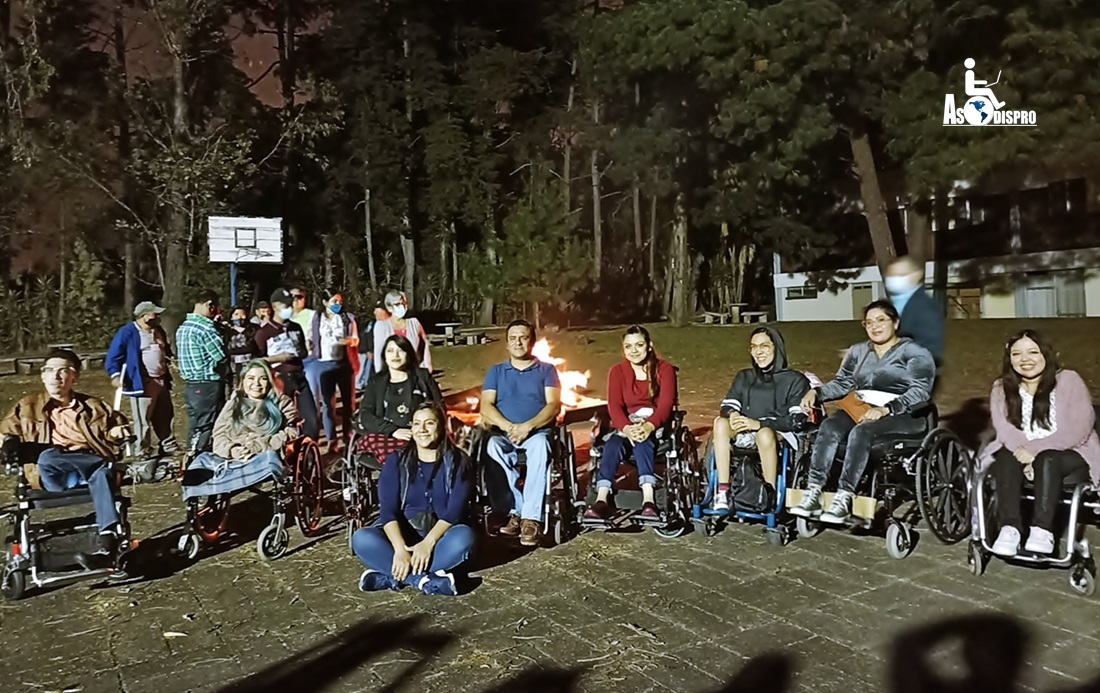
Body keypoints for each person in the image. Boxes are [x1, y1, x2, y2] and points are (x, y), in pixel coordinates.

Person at [790, 300, 935, 524]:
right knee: (829, 426)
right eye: (869, 323)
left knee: (862, 431)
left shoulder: (914, 352)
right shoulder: (859, 352)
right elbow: (843, 383)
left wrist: (886, 409)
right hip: (862, 409)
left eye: (881, 320)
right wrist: (817, 393)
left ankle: (844, 496)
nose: (875, 327)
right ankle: (814, 491)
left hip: (904, 414)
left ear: (895, 323)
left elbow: (920, 391)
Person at [0, 349, 130, 567]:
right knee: (48, 457)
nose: (55, 376)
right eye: (49, 370)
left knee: (100, 473)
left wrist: (117, 434)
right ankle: (100, 463)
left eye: (62, 371)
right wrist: (7, 442)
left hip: (87, 469)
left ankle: (107, 543)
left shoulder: (93, 407)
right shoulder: (27, 406)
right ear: (42, 375)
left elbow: (116, 427)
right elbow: (4, 433)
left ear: (74, 376)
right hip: (52, 472)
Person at [980, 330, 1100, 556]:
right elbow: (1004, 428)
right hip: (1019, 451)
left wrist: (1034, 451)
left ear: (1046, 354)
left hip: (1071, 452)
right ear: (1010, 359)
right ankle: (1010, 528)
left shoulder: (1068, 380)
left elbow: (1079, 428)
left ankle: (1042, 531)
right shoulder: (1001, 388)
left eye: (1033, 352)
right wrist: (1022, 452)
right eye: (1017, 354)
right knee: (1004, 457)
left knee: (1048, 458)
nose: (1025, 359)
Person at [351, 403, 473, 596]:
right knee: (361, 538)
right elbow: (388, 510)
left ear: (441, 426)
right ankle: (424, 581)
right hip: (403, 535)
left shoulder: (458, 461)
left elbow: (454, 511)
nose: (422, 429)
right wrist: (400, 550)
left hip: (440, 537)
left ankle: (391, 576)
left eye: (429, 423)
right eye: (416, 424)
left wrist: (427, 543)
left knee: (464, 538)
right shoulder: (397, 460)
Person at [480, 319, 561, 546]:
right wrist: (509, 428)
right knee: (491, 447)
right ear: (506, 343)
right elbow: (486, 406)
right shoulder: (496, 372)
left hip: (536, 432)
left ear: (532, 342)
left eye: (523, 337)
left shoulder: (547, 370)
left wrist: (528, 427)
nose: (518, 342)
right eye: (513, 338)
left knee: (539, 448)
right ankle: (515, 509)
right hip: (504, 433)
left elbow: (553, 405)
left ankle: (530, 519)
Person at [710, 326, 810, 511]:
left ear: (776, 347)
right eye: (754, 347)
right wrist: (733, 415)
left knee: (763, 433)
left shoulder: (795, 380)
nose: (758, 351)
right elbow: (728, 405)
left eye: (764, 346)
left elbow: (796, 420)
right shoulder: (744, 376)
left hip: (777, 431)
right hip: (746, 428)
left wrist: (759, 424)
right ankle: (722, 490)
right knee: (720, 423)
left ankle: (769, 492)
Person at [584, 326, 676, 521]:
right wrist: (627, 428)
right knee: (612, 444)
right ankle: (601, 498)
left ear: (649, 346)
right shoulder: (617, 372)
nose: (634, 351)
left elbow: (666, 405)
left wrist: (648, 427)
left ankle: (648, 499)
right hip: (626, 426)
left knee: (643, 442)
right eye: (628, 346)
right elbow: (614, 406)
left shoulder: (664, 369)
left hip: (654, 426)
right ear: (623, 349)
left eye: (639, 345)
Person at [182, 360, 298, 500]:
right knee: (199, 462)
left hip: (262, 456)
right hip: (232, 458)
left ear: (270, 381)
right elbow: (219, 433)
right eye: (251, 378)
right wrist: (232, 450)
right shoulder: (234, 403)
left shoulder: (281, 402)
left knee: (270, 460)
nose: (256, 384)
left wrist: (259, 447)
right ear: (243, 381)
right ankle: (200, 493)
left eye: (263, 379)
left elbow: (291, 432)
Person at [105, 300, 176, 461]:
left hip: (161, 380)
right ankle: (142, 451)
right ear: (143, 316)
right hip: (142, 382)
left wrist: (170, 360)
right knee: (143, 419)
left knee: (165, 415)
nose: (157, 317)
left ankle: (168, 445)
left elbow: (165, 350)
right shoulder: (128, 332)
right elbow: (113, 357)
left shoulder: (158, 331)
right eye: (154, 314)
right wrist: (115, 375)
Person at [354, 335, 444, 460]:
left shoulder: (422, 377)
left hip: (419, 434)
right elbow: (366, 415)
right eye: (390, 351)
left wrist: (420, 429)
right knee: (377, 445)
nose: (395, 355)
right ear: (384, 356)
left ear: (408, 354)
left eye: (400, 350)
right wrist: (393, 431)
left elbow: (439, 407)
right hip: (387, 436)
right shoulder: (377, 382)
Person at [255, 289, 320, 441]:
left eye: (290, 305)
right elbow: (256, 361)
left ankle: (308, 455)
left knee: (311, 421)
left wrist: (301, 352)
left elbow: (303, 351)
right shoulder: (263, 332)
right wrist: (279, 358)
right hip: (279, 380)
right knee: (281, 420)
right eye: (285, 305)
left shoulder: (295, 327)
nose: (289, 308)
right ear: (275, 307)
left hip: (299, 377)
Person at [307, 288, 359, 452]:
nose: (338, 304)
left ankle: (348, 436)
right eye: (334, 301)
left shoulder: (347, 318)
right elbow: (310, 337)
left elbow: (356, 340)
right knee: (328, 405)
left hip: (343, 364)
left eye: (340, 301)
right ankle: (332, 439)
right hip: (324, 365)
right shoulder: (317, 318)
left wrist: (348, 341)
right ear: (325, 302)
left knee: (348, 403)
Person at [176, 291, 229, 453]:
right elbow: (220, 355)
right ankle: (199, 455)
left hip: (190, 385)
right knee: (207, 424)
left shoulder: (183, 327)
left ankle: (191, 453)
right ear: (209, 305)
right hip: (207, 383)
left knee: (195, 423)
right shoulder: (206, 328)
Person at [884, 255, 944, 370]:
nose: (893, 279)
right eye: (890, 275)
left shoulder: (925, 307)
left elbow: (929, 348)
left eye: (900, 275)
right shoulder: (895, 304)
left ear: (917, 275)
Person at [372, 290, 431, 374]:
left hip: (413, 372)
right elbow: (378, 352)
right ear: (390, 307)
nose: (402, 307)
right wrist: (380, 374)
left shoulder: (414, 323)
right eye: (397, 304)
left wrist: (427, 366)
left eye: (403, 304)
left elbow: (424, 345)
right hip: (391, 374)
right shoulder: (382, 326)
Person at [226, 306, 260, 388]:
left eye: (242, 314)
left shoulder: (254, 329)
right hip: (233, 366)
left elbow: (253, 346)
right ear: (231, 316)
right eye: (236, 314)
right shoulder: (227, 330)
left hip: (250, 363)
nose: (239, 317)